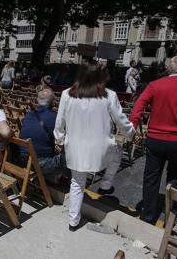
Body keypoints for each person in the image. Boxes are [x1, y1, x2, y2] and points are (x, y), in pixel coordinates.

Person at [54, 63, 135, 231]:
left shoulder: (66, 94)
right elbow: (121, 120)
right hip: (101, 149)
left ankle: (73, 221)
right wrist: (132, 134)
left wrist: (59, 140)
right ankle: (105, 184)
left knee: (77, 183)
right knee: (118, 152)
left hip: (76, 148)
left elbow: (59, 122)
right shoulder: (109, 95)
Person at [130, 55, 177, 225]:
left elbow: (138, 107)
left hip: (156, 138)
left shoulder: (156, 85)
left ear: (169, 69)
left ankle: (148, 216)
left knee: (151, 177)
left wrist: (133, 127)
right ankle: (169, 212)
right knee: (175, 174)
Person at [20, 88, 65, 183]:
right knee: (67, 154)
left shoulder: (28, 115)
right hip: (40, 163)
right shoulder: (55, 117)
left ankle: (50, 176)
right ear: (53, 103)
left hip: (24, 160)